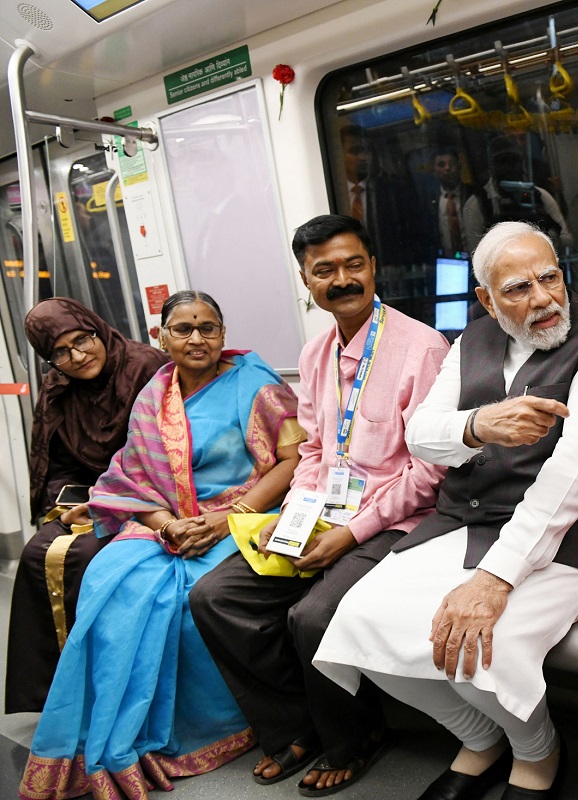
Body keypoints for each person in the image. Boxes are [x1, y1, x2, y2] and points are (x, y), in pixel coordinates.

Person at [313, 220, 578, 799]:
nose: (543, 298)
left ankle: (538, 754)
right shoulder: (470, 342)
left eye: (550, 278)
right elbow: (420, 434)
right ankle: (480, 738)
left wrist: (494, 579)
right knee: (358, 617)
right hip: (471, 520)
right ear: (487, 300)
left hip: (577, 531)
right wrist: (474, 425)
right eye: (519, 289)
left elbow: (573, 474)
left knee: (491, 641)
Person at [190, 214, 449, 795]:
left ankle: (355, 739)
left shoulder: (421, 348)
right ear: (306, 280)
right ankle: (294, 727)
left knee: (312, 615)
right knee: (216, 597)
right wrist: (294, 514)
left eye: (353, 264)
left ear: (373, 266)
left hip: (394, 520)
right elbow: (313, 450)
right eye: (324, 270)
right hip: (322, 513)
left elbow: (429, 474)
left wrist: (350, 533)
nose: (342, 279)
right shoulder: (314, 354)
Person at [18, 290, 303, 800]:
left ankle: (208, 727)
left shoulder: (255, 384)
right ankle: (109, 724)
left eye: (208, 328)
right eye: (183, 329)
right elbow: (130, 477)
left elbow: (291, 461)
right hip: (168, 521)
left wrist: (224, 519)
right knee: (109, 581)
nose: (197, 339)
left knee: (186, 597)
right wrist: (168, 524)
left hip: (245, 516)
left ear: (222, 332)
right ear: (161, 336)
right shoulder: (156, 391)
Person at [6, 298, 168, 714]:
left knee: (83, 556)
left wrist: (110, 501)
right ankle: (54, 692)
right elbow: (55, 462)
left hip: (149, 495)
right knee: (35, 554)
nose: (77, 356)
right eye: (60, 352)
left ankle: (103, 687)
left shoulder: (144, 367)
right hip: (90, 497)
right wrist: (68, 504)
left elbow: (165, 451)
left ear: (97, 328)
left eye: (83, 340)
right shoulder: (59, 388)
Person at [461, 136, 573, 254]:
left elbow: (568, 241)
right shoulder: (477, 205)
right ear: (491, 166)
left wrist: (546, 232)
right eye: (502, 162)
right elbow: (474, 254)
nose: (508, 168)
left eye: (513, 161)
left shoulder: (540, 197)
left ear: (522, 163)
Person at [341, 124, 432, 268]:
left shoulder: (394, 191)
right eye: (355, 151)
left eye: (367, 151)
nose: (364, 157)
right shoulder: (338, 195)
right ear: (340, 157)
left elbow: (414, 237)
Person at [431, 144, 481, 258]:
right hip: (446, 261)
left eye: (452, 164)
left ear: (459, 167)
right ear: (434, 171)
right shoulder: (431, 202)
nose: (447, 168)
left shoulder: (475, 195)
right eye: (441, 165)